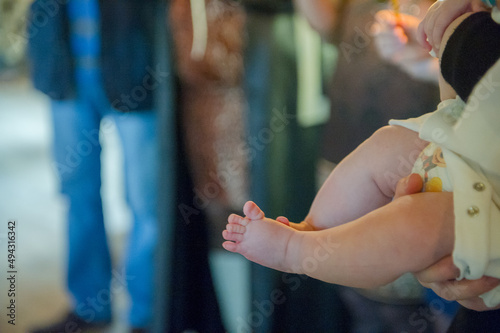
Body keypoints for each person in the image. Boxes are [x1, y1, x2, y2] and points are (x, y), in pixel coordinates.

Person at [222, 10, 500, 312]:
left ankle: (294, 251)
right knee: (388, 144)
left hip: (488, 200)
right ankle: (311, 228)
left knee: (420, 220)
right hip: (468, 136)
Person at [27, 0, 159, 332]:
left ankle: (146, 314)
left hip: (136, 66)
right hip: (64, 70)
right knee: (77, 195)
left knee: (147, 203)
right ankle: (89, 306)